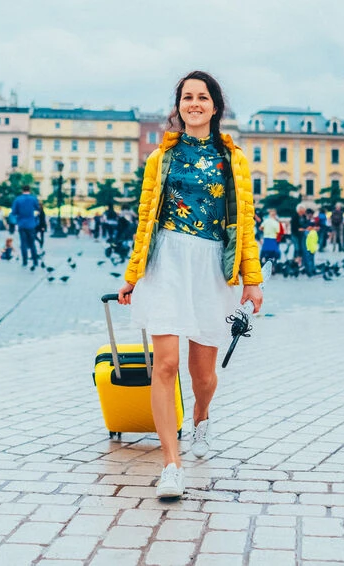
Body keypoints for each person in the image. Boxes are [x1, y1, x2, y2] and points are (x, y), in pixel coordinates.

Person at [118, 71, 262, 501]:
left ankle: (201, 414)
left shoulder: (233, 159)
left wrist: (252, 280)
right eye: (187, 97)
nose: (194, 103)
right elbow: (146, 218)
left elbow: (246, 223)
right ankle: (171, 464)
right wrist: (131, 275)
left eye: (202, 97)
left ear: (215, 107)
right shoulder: (160, 159)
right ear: (178, 106)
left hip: (211, 265)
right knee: (164, 364)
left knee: (203, 374)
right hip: (166, 263)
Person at [11, 187, 43, 268]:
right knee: (32, 243)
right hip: (31, 224)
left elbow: (14, 212)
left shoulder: (18, 199)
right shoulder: (33, 199)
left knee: (23, 243)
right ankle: (35, 261)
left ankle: (24, 261)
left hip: (21, 224)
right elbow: (38, 209)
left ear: (22, 190)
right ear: (29, 190)